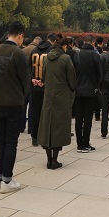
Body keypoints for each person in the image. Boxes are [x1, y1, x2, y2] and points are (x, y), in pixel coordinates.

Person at [0, 21, 30, 193]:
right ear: (20, 35)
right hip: (14, 103)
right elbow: (25, 81)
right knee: (11, 142)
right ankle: (7, 180)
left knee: (0, 141)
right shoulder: (18, 53)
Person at [37, 36, 76, 169]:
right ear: (64, 46)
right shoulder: (66, 58)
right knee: (59, 128)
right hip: (62, 97)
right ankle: (55, 160)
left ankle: (48, 160)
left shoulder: (46, 58)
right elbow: (72, 80)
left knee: (47, 127)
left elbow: (43, 76)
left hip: (48, 96)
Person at [29, 33, 59, 146]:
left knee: (35, 111)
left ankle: (34, 136)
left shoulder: (34, 50)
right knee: (47, 112)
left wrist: (32, 79)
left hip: (35, 85)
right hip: (47, 86)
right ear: (55, 41)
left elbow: (28, 67)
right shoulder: (51, 51)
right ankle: (45, 135)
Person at [74, 35, 102, 153]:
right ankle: (86, 142)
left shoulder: (77, 54)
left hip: (78, 90)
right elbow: (99, 74)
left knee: (78, 118)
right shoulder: (95, 55)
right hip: (90, 91)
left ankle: (79, 143)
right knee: (88, 118)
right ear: (93, 42)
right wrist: (96, 86)